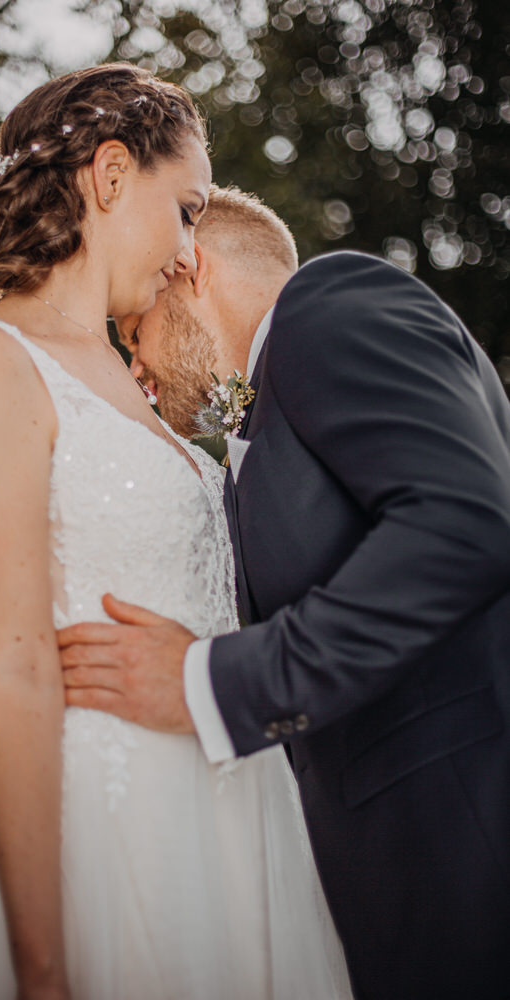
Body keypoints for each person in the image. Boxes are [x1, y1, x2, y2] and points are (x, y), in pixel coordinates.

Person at [0, 68, 353, 999]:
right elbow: (11, 664)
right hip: (103, 831)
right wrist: (43, 967)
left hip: (238, 823)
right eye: (187, 209)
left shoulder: (134, 378)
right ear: (111, 175)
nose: (189, 246)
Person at [60, 184, 510, 1000]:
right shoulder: (258, 428)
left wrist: (208, 680)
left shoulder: (330, 303)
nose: (137, 368)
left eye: (133, 332)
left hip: (474, 843)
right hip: (389, 889)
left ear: (187, 268)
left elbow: (460, 524)